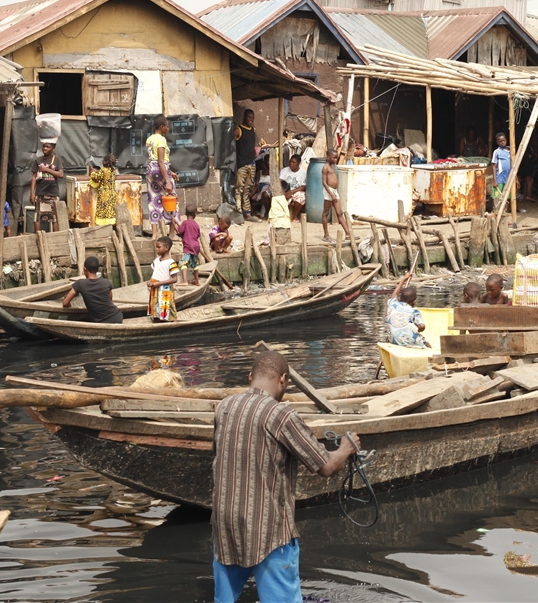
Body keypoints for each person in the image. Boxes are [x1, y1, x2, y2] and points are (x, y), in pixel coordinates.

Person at [212, 351, 359, 603]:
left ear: (250, 377)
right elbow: (324, 466)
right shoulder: (281, 415)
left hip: (225, 527)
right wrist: (346, 448)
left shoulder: (224, 407)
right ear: (283, 380)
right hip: (268, 531)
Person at [62, 255, 122, 323]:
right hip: (117, 317)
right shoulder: (106, 282)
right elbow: (110, 300)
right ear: (98, 269)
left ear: (85, 269)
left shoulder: (80, 284)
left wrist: (70, 306)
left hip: (103, 321)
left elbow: (65, 303)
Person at [144, 117, 176, 237]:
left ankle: (154, 234)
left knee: (153, 200)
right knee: (172, 199)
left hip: (151, 171)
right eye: (166, 126)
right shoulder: (161, 140)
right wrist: (167, 180)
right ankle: (172, 233)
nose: (167, 128)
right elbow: (161, 161)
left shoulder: (149, 139)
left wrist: (170, 171)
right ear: (162, 127)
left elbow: (153, 159)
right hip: (161, 170)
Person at [386, 271, 430, 348]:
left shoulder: (393, 304)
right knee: (426, 344)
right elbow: (422, 326)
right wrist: (419, 330)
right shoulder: (414, 311)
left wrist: (404, 279)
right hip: (408, 341)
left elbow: (394, 294)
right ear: (414, 302)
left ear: (400, 298)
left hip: (392, 339)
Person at [30, 140, 65, 233]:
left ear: (53, 148)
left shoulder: (56, 159)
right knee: (37, 217)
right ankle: (38, 238)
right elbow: (34, 177)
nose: (45, 148)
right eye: (44, 146)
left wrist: (47, 170)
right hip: (40, 192)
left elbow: (61, 175)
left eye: (48, 147)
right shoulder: (38, 160)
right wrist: (32, 193)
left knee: (54, 217)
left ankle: (55, 238)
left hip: (53, 192)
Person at [321, 149, 352, 243]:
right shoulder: (325, 167)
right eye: (334, 158)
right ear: (328, 157)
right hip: (328, 191)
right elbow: (324, 182)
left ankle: (348, 234)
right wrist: (331, 194)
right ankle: (326, 235)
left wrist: (334, 193)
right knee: (325, 213)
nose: (335, 159)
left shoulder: (333, 166)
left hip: (334, 191)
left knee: (339, 212)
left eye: (336, 158)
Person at [234, 109, 260, 221]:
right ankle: (239, 213)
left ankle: (247, 213)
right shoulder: (238, 130)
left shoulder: (253, 130)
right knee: (239, 189)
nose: (251, 120)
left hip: (251, 164)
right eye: (249, 117)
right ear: (245, 117)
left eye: (252, 118)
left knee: (247, 189)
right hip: (242, 165)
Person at [148, 236, 179, 322]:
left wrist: (159, 283)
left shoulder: (171, 262)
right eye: (156, 247)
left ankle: (172, 320)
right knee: (156, 304)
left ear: (166, 248)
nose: (156, 249)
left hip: (165, 289)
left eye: (159, 247)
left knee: (166, 305)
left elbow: (174, 279)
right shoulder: (156, 260)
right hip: (155, 286)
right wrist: (150, 281)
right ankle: (157, 319)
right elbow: (154, 273)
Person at [89, 153, 118, 226]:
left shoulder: (103, 170)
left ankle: (103, 227)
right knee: (110, 211)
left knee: (103, 211)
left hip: (104, 194)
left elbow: (97, 177)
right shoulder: (113, 170)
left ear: (105, 162)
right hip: (112, 194)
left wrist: (92, 173)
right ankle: (110, 226)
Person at [175, 204, 201, 286]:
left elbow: (179, 232)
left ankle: (185, 281)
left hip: (188, 247)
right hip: (196, 246)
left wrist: (174, 225)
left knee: (183, 263)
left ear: (185, 213)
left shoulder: (185, 223)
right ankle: (197, 281)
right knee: (195, 264)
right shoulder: (196, 224)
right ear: (195, 214)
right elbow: (197, 235)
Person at [280, 154, 307, 222]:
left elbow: (303, 187)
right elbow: (279, 182)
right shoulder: (284, 170)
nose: (291, 164)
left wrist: (291, 192)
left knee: (300, 196)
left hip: (296, 191)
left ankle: (295, 216)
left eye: (293, 162)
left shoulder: (303, 173)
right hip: (285, 191)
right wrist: (283, 192)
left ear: (298, 163)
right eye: (290, 162)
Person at [490, 133, 511, 204]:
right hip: (500, 177)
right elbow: (494, 166)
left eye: (504, 140)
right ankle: (496, 210)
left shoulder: (511, 150)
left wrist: (516, 179)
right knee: (497, 196)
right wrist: (495, 180)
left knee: (508, 196)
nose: (502, 142)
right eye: (500, 141)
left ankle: (506, 211)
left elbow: (514, 166)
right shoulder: (496, 152)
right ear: (497, 142)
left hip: (509, 177)